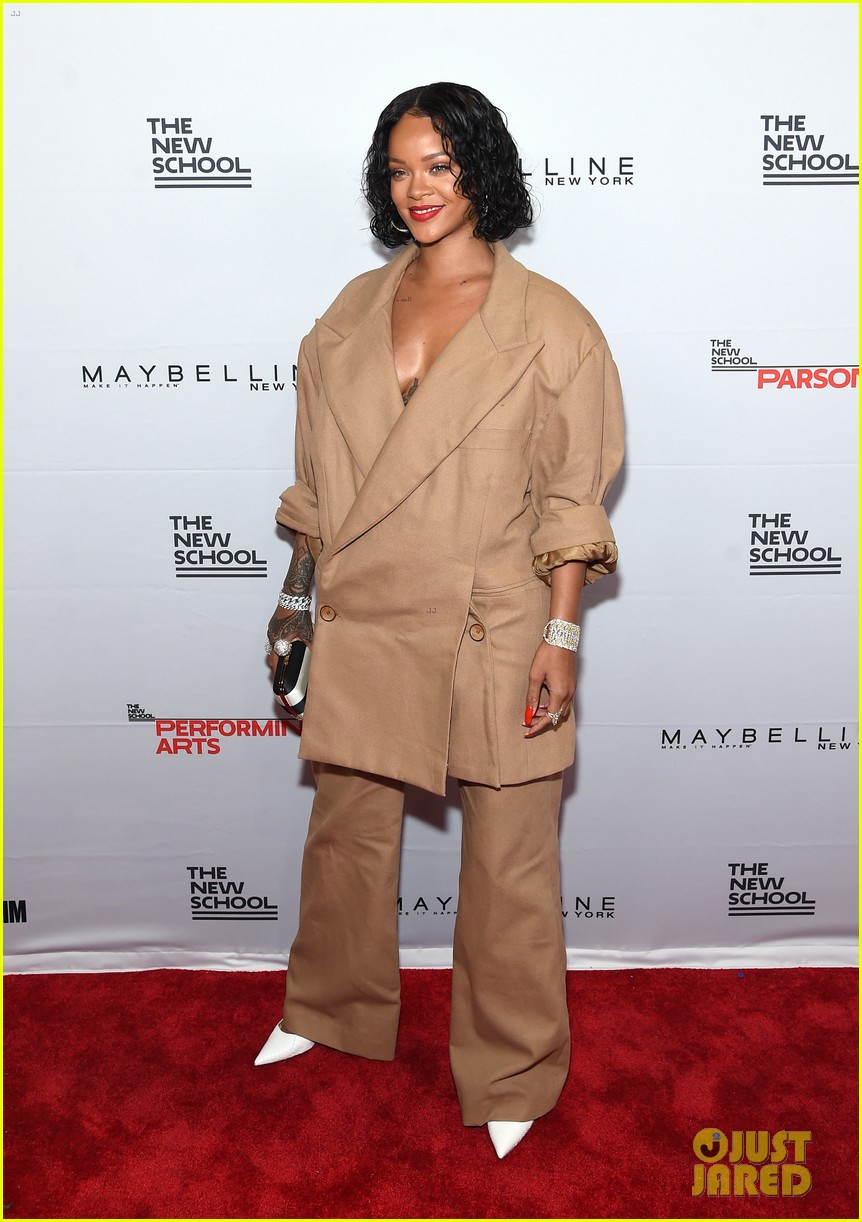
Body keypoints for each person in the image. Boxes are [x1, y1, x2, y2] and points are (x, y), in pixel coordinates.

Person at [256, 82, 624, 1159]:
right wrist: (294, 602)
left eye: (439, 166)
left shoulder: (551, 325)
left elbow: (572, 502)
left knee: (509, 861)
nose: (416, 189)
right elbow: (318, 487)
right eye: (399, 169)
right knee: (347, 834)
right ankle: (330, 1005)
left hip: (492, 620)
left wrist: (562, 636)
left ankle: (510, 1065)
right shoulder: (350, 311)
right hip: (363, 613)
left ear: (480, 171)